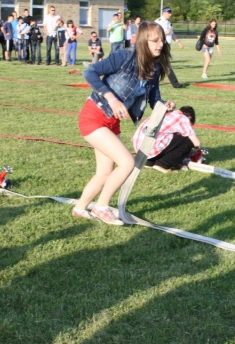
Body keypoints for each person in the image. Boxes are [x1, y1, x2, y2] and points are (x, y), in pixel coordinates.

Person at [73, 21, 176, 225]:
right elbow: (89, 72)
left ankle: (79, 208)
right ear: (143, 41)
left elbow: (154, 98)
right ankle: (101, 207)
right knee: (127, 163)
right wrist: (111, 98)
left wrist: (165, 105)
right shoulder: (123, 57)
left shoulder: (154, 68)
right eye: (155, 40)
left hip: (112, 123)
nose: (160, 44)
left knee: (104, 172)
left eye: (162, 40)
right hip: (94, 116)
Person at [132, 106, 202, 173]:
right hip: (152, 148)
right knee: (188, 140)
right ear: (190, 117)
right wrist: (195, 149)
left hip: (140, 148)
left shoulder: (167, 114)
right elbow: (197, 143)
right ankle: (163, 164)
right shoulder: (183, 118)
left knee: (170, 137)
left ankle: (149, 162)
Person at [155, 7, 184, 88]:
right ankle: (175, 83)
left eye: (170, 13)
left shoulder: (169, 23)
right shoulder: (158, 22)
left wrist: (178, 42)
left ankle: (174, 83)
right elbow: (154, 34)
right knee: (165, 64)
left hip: (167, 45)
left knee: (162, 64)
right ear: (164, 13)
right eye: (168, 13)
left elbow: (172, 34)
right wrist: (164, 33)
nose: (170, 14)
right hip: (160, 45)